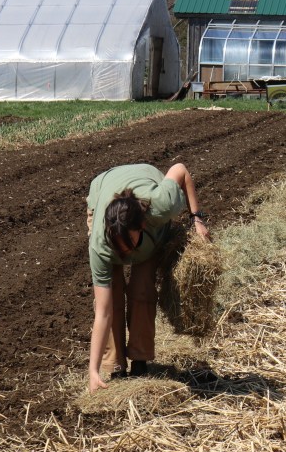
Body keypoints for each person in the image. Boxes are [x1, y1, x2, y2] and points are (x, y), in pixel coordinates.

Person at [86, 162, 209, 392]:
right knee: (112, 295)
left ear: (143, 226)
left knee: (142, 289)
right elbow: (103, 312)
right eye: (118, 248)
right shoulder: (100, 246)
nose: (124, 255)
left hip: (146, 186)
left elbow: (180, 169)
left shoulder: (160, 207)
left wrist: (197, 218)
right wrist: (92, 370)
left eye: (128, 247)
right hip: (103, 188)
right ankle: (115, 365)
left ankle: (140, 360)